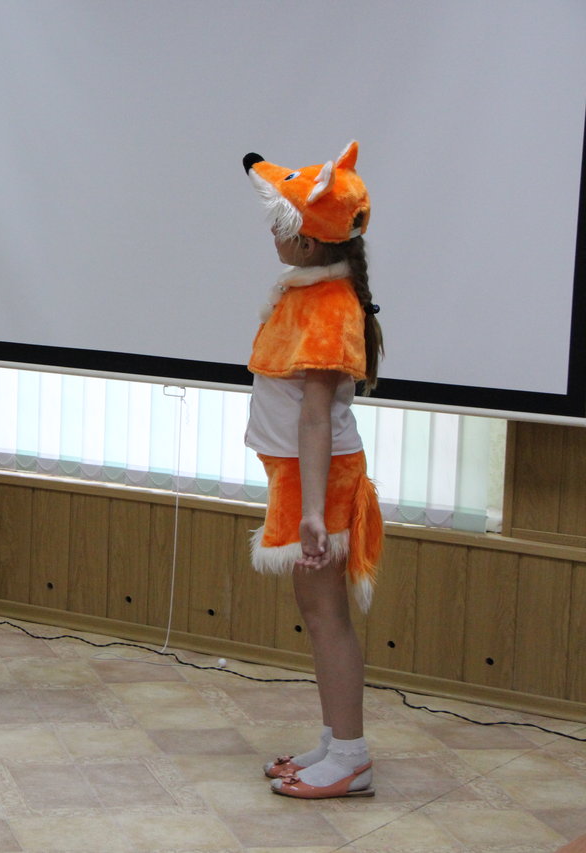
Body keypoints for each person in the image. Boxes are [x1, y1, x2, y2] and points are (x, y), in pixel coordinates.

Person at [241, 142, 385, 798]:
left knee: (326, 613)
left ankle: (351, 756)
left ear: (307, 240)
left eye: (280, 224)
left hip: (318, 477)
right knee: (317, 609)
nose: (271, 233)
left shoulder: (328, 304)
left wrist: (312, 512)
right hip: (302, 474)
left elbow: (316, 418)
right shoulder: (308, 290)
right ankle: (334, 740)